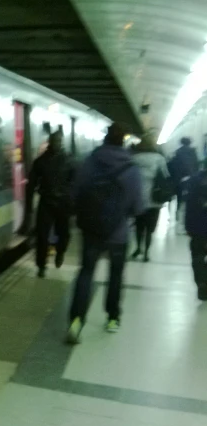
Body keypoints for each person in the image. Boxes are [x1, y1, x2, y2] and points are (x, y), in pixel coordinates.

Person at [67, 123, 143, 343]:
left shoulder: (89, 162)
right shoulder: (131, 168)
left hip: (91, 231)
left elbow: (75, 194)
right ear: (124, 142)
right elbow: (138, 207)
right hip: (119, 234)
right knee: (116, 276)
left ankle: (76, 321)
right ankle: (112, 318)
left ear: (105, 139)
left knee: (86, 273)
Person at [20, 131, 74, 278]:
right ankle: (41, 265)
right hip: (47, 202)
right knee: (42, 236)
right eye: (55, 141)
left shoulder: (69, 160)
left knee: (64, 234)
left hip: (63, 203)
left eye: (59, 141)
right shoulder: (40, 161)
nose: (57, 144)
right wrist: (29, 209)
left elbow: (75, 182)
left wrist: (73, 203)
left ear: (62, 142)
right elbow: (31, 186)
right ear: (50, 142)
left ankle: (60, 252)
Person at [130, 133, 171, 262]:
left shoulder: (134, 158)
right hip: (154, 198)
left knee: (139, 226)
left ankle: (138, 248)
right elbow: (165, 175)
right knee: (149, 228)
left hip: (138, 198)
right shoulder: (159, 159)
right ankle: (147, 253)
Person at [185, 166, 207, 301]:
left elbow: (189, 205)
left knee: (197, 257)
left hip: (198, 227)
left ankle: (201, 283)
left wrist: (188, 226)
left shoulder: (195, 180)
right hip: (198, 226)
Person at [169, 137, 199, 220]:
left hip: (179, 178)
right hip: (191, 177)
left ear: (181, 142)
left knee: (179, 196)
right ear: (189, 143)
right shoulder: (193, 152)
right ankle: (188, 215)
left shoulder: (177, 152)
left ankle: (177, 212)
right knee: (190, 196)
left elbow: (173, 166)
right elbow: (196, 165)